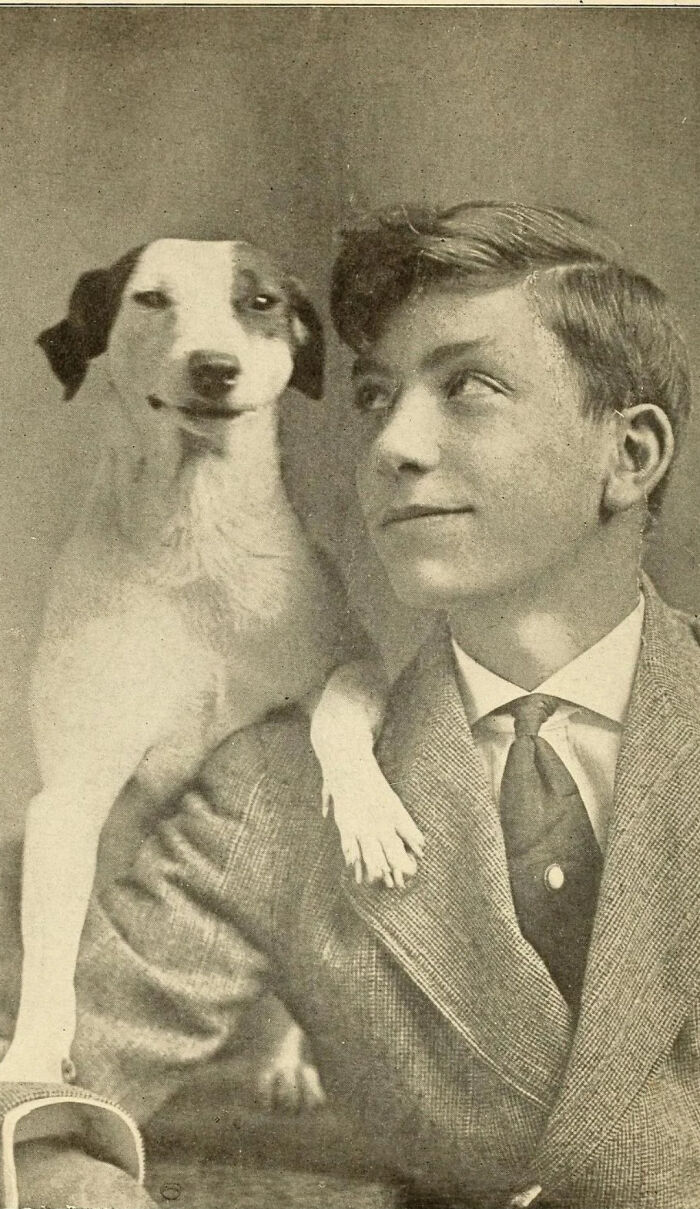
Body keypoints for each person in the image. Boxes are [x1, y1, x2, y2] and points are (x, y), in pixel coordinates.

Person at [3, 202, 698, 1209]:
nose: (390, 446)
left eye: (468, 387)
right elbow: (36, 1108)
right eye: (375, 396)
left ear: (629, 456)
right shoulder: (270, 799)